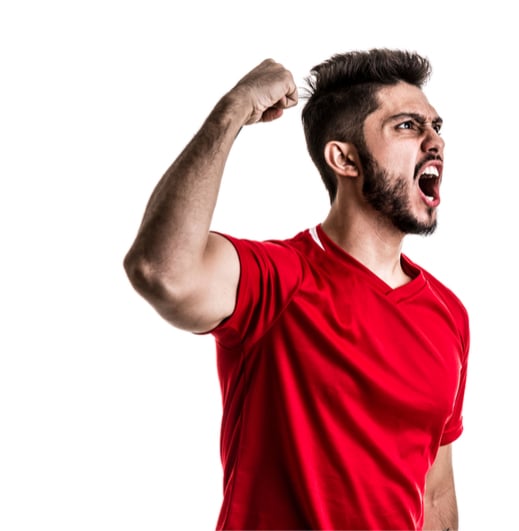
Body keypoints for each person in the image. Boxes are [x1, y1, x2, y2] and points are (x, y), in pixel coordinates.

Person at [124, 48, 469, 531]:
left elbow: (435, 493)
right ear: (344, 158)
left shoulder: (448, 314)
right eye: (408, 127)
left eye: (436, 127)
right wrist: (233, 109)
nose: (435, 142)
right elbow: (161, 270)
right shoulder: (278, 279)